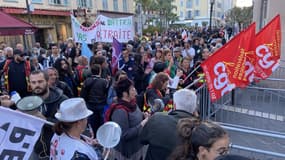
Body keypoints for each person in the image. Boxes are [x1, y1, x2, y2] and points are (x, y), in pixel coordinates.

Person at [141, 89, 199, 160]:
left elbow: (142, 139)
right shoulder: (199, 130)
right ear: (194, 109)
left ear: (174, 106)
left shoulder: (156, 118)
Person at [106, 78, 149, 160]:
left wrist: (143, 115)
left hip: (137, 147)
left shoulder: (132, 103)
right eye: (132, 89)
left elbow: (135, 117)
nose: (135, 90)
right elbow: (124, 135)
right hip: (127, 153)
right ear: (125, 93)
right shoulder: (120, 111)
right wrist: (142, 124)